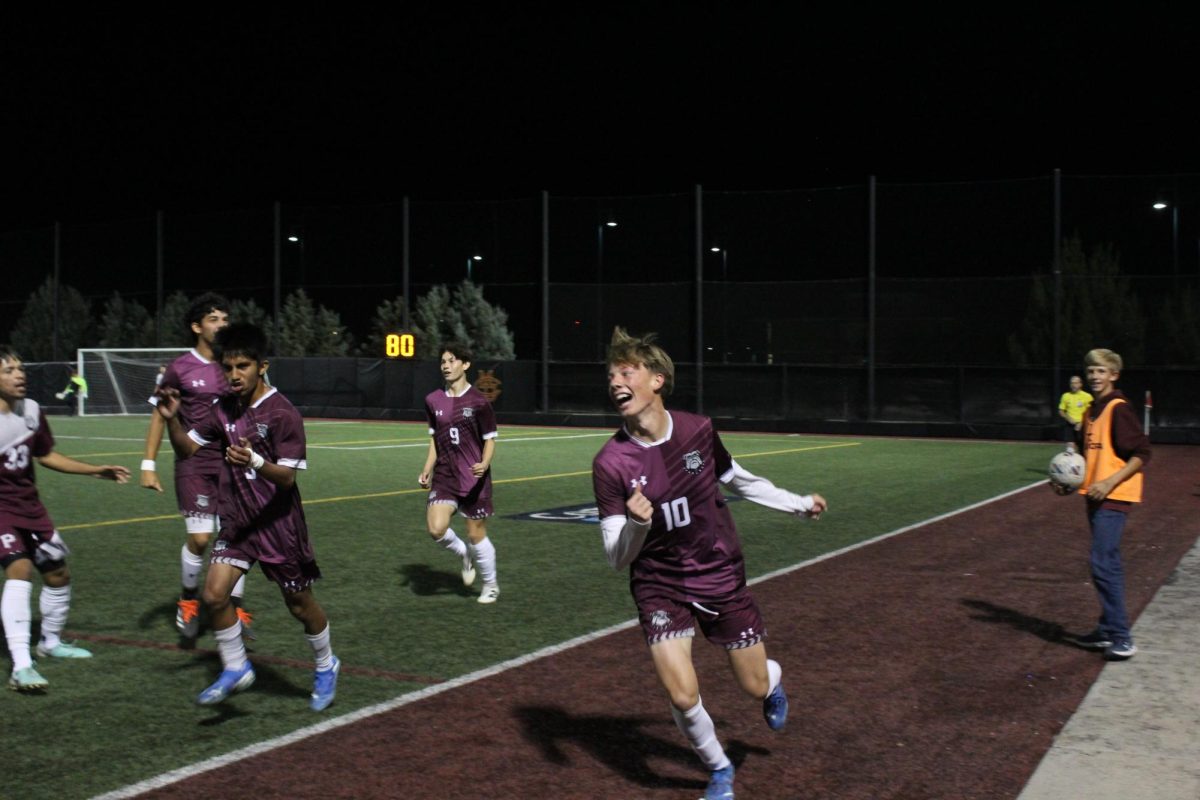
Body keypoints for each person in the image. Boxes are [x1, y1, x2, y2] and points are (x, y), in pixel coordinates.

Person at [591, 327, 827, 800]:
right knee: (680, 693)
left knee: (753, 683)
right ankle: (719, 770)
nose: (616, 381)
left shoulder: (698, 430)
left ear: (657, 380)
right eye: (612, 374)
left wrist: (798, 504)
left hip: (717, 573)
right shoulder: (610, 463)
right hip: (658, 583)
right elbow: (617, 558)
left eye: (627, 371)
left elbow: (741, 481)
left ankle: (772, 682)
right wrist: (637, 524)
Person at [155, 323, 339, 709]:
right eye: (228, 367)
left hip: (278, 525)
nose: (234, 375)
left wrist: (255, 460)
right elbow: (188, 449)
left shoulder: (283, 413)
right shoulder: (221, 407)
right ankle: (236, 667)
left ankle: (326, 664)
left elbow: (287, 478)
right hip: (237, 521)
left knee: (300, 605)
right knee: (214, 595)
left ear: (262, 366)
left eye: (242, 366)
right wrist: (172, 418)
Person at [1, 345, 130, 691]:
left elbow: (46, 455)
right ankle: (21, 666)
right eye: (9, 370)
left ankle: (50, 642)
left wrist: (94, 470)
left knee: (58, 571)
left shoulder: (31, 411)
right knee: (20, 568)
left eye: (20, 368)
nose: (19, 375)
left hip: (30, 508)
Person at [142, 293, 255, 641]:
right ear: (196, 327)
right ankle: (188, 600)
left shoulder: (234, 364)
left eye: (225, 318)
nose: (222, 324)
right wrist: (148, 464)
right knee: (201, 537)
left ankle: (234, 607)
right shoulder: (180, 367)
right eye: (213, 319)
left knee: (236, 538)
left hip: (233, 463)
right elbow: (161, 416)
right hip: (193, 463)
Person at [1060, 349, 1150, 661]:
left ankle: (1122, 637)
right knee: (1107, 563)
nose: (1095, 377)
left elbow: (1142, 453)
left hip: (1114, 495)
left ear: (1114, 375)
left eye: (1101, 371)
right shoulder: (1089, 411)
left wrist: (1110, 482)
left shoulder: (1118, 408)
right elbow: (1090, 457)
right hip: (1096, 495)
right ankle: (1106, 629)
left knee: (1101, 562)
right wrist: (1067, 478)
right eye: (1091, 371)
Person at [418, 342, 500, 604]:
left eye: (452, 360)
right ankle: (463, 554)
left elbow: (490, 438)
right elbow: (435, 439)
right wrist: (427, 469)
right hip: (445, 475)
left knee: (476, 534)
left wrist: (484, 463)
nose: (446, 365)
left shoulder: (478, 402)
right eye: (443, 361)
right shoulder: (433, 400)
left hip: (473, 478)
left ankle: (490, 584)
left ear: (465, 365)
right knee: (436, 528)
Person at [1057, 374, 1091, 452]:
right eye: (1072, 383)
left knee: (1084, 450)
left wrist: (1081, 422)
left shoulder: (1087, 396)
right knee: (1070, 450)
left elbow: (1090, 412)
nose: (1073, 385)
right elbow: (1061, 411)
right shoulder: (1065, 396)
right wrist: (1069, 419)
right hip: (1069, 426)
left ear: (1080, 384)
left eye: (1076, 383)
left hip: (1083, 426)